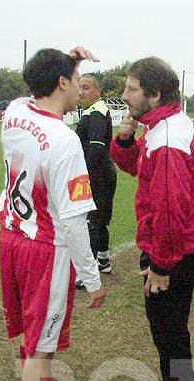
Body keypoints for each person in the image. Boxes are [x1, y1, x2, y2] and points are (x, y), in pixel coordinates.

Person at [0, 45, 106, 381]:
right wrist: (91, 279)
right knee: (43, 344)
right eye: (76, 80)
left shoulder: (14, 112)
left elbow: (35, 87)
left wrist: (68, 60)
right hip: (45, 248)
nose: (81, 87)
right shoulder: (65, 141)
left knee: (31, 331)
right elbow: (75, 222)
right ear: (61, 82)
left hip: (11, 236)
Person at [109, 57, 194, 381]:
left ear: (154, 93)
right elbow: (138, 168)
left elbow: (171, 208)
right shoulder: (159, 127)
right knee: (172, 325)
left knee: (166, 327)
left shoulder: (168, 136)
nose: (124, 95)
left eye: (132, 88)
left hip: (176, 248)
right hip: (178, 246)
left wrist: (162, 265)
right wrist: (124, 139)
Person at [75, 73, 116, 276]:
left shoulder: (97, 112)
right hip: (102, 172)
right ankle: (103, 261)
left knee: (91, 221)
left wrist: (85, 175)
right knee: (98, 219)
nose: (81, 92)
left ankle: (87, 273)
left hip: (98, 174)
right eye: (80, 87)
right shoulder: (92, 110)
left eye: (87, 87)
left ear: (98, 91)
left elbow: (96, 148)